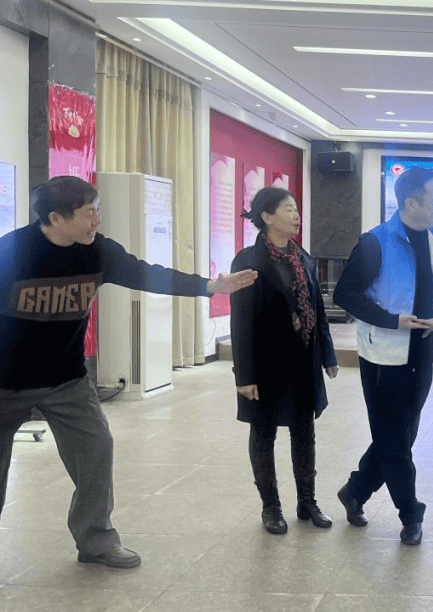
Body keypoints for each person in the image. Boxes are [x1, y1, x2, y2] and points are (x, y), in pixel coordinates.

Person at [0, 176, 257, 568]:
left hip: (66, 379)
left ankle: (96, 541)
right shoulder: (12, 252)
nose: (96, 220)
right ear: (55, 218)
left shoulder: (97, 252)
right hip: (5, 382)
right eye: (88, 213)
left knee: (96, 449)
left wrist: (209, 286)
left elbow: (146, 273)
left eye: (98, 211)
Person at [333, 166, 433, 545]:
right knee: (394, 437)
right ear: (411, 203)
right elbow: (345, 294)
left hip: (422, 351)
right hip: (383, 355)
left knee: (401, 433)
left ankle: (356, 491)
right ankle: (411, 514)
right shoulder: (375, 242)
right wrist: (391, 320)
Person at [230, 187, 338, 535]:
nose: (296, 215)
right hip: (265, 364)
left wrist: (328, 354)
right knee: (263, 434)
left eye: (295, 209)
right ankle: (271, 507)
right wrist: (244, 375)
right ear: (267, 217)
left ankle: (307, 502)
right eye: (288, 209)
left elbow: (317, 310)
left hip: (302, 360)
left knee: (304, 432)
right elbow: (240, 321)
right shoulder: (247, 261)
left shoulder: (302, 257)